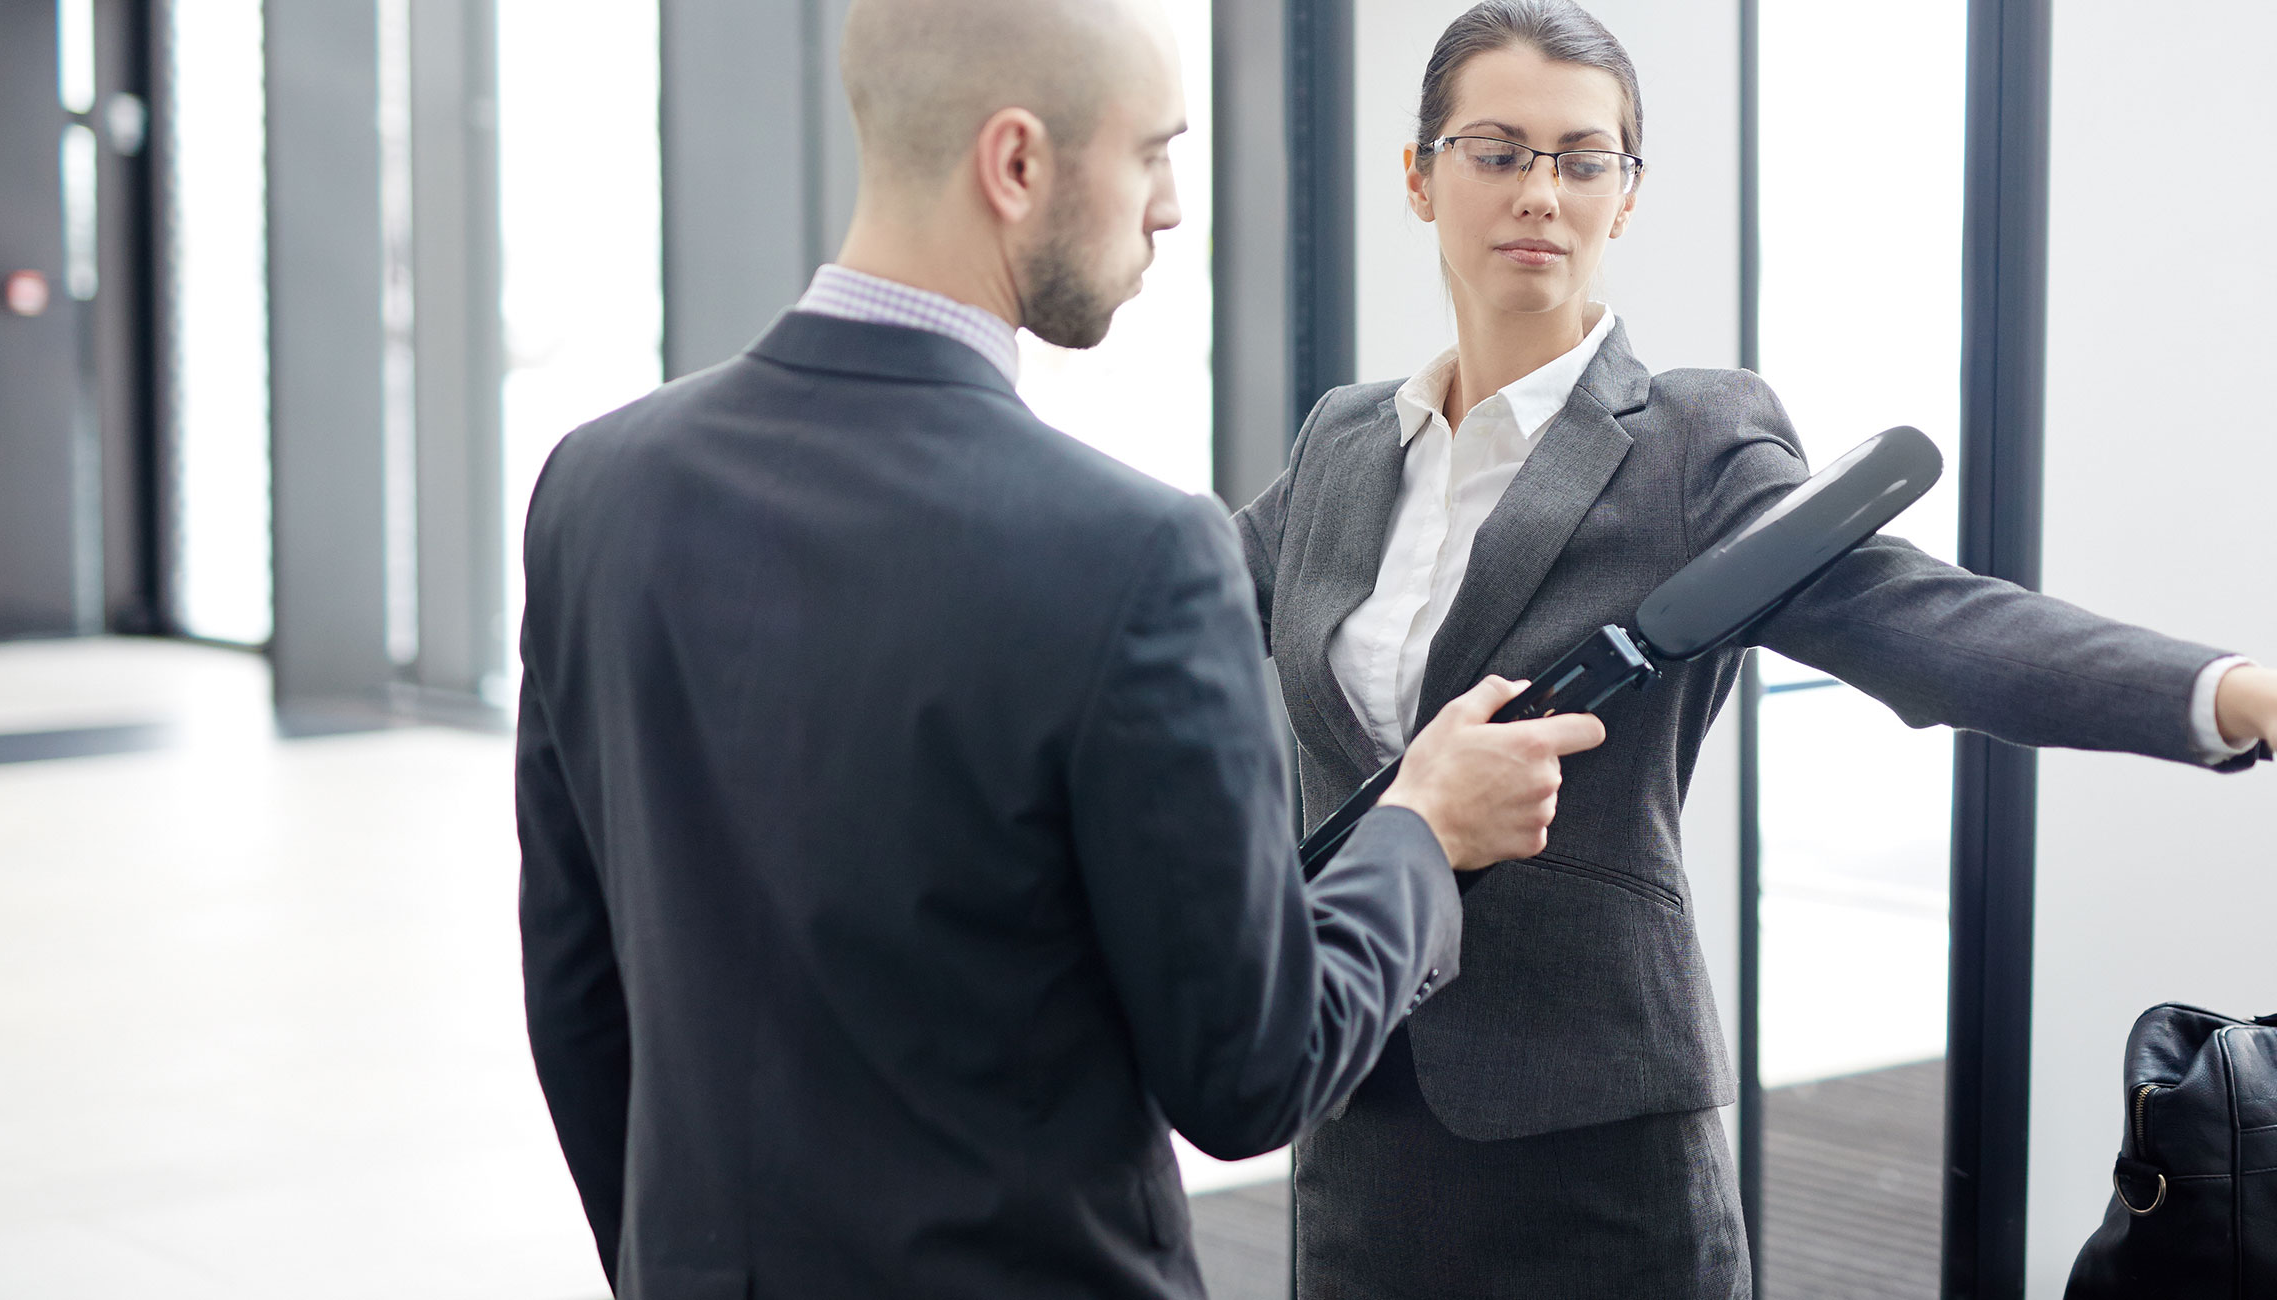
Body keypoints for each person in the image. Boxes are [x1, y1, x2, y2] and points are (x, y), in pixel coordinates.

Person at [1232, 3, 2277, 1297]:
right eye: (1498, 150)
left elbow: (1920, 616)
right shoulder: (1348, 446)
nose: (1541, 194)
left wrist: (2218, 692)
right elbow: (1176, 637)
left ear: (1627, 197)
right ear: (1419, 176)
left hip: (1589, 1132)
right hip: (1355, 1097)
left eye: (1584, 159)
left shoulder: (1688, 442)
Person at [514, 0, 1606, 1294]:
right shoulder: (1136, 558)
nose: (1169, 209)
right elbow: (1254, 1069)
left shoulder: (598, 491)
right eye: (1150, 153)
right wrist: (1421, 828)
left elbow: (578, 993)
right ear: (1018, 164)